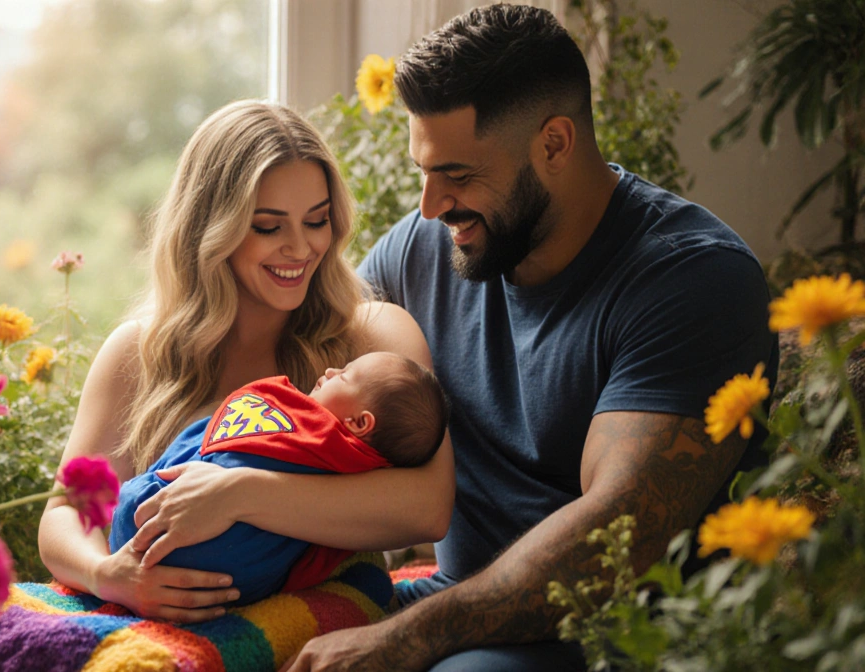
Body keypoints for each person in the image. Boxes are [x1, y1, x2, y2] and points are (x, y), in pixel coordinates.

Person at [279, 6, 779, 671]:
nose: (429, 207)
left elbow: (618, 537)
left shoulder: (695, 280)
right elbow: (298, 376)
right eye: (423, 173)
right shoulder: (424, 249)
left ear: (554, 144)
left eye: (457, 176)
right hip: (452, 603)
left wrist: (406, 637)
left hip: (615, 633)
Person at [38, 100, 455, 624]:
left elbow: (427, 507)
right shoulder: (138, 354)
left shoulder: (372, 338)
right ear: (210, 229)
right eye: (268, 226)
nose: (301, 248)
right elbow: (66, 513)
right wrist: (110, 576)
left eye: (317, 220)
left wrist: (239, 492)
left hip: (322, 637)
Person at [108, 351, 449, 606]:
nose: (329, 371)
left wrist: (237, 490)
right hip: (232, 583)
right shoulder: (353, 480)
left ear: (359, 424)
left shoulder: (329, 446)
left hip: (146, 521)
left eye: (344, 376)